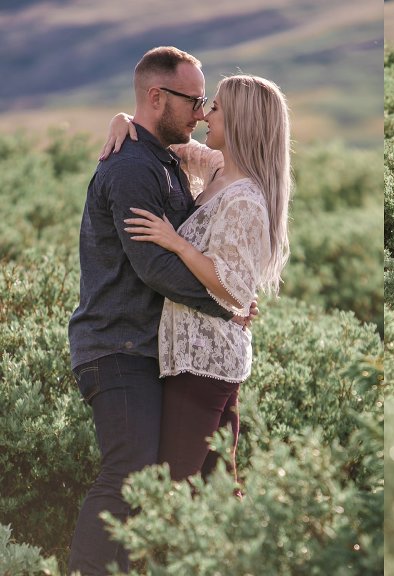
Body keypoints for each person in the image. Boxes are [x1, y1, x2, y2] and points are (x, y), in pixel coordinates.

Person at [67, 46, 251, 575]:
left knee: (167, 478)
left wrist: (229, 292)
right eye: (193, 100)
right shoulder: (131, 169)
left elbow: (241, 161)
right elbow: (150, 267)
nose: (200, 111)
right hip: (117, 345)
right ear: (156, 97)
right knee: (129, 472)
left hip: (153, 350)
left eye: (204, 102)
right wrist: (225, 303)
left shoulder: (168, 159)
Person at [114, 73, 290, 486]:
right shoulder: (217, 169)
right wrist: (121, 119)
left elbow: (233, 290)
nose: (204, 114)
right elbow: (164, 137)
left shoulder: (244, 198)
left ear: (241, 121)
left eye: (216, 109)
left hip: (206, 360)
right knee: (215, 486)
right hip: (202, 357)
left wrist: (178, 244)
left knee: (176, 483)